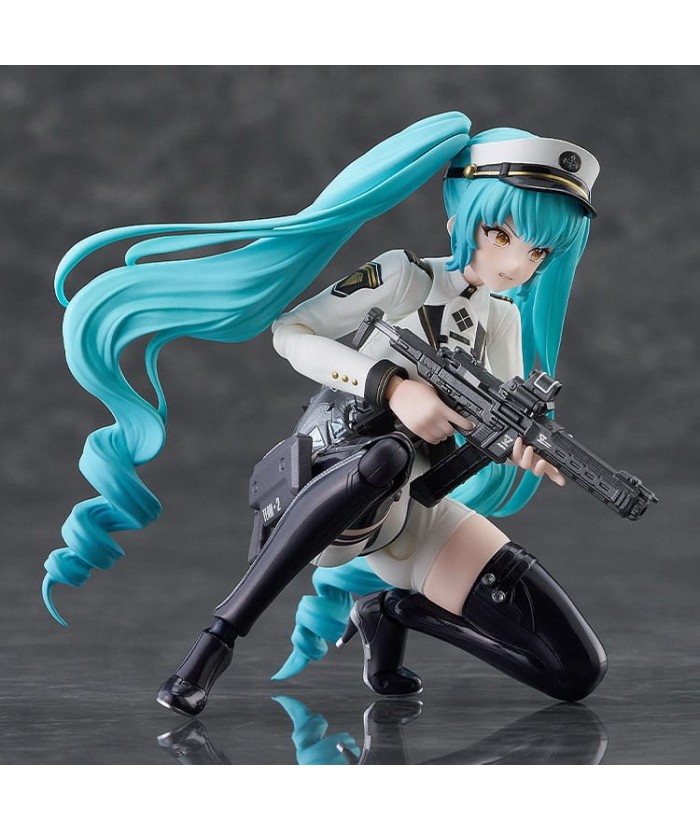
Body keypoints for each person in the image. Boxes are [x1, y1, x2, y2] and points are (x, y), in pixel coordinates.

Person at [44, 112, 607, 717]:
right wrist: (391, 386)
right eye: (501, 235)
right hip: (336, 479)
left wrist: (514, 448)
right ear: (459, 216)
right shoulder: (403, 277)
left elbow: (496, 414)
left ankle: (392, 611)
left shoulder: (503, 319)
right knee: (388, 454)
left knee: (576, 670)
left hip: (415, 510)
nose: (515, 263)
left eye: (537, 250)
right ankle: (216, 641)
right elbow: (291, 332)